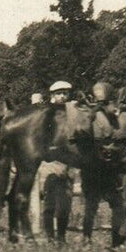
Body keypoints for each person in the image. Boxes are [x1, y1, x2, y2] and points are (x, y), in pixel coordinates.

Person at [41, 82, 74, 242]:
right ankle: (50, 237)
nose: (62, 96)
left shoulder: (71, 113)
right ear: (52, 95)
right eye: (59, 93)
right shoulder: (47, 113)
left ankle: (61, 237)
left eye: (65, 93)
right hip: (50, 162)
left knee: (65, 204)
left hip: (68, 162)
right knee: (50, 203)